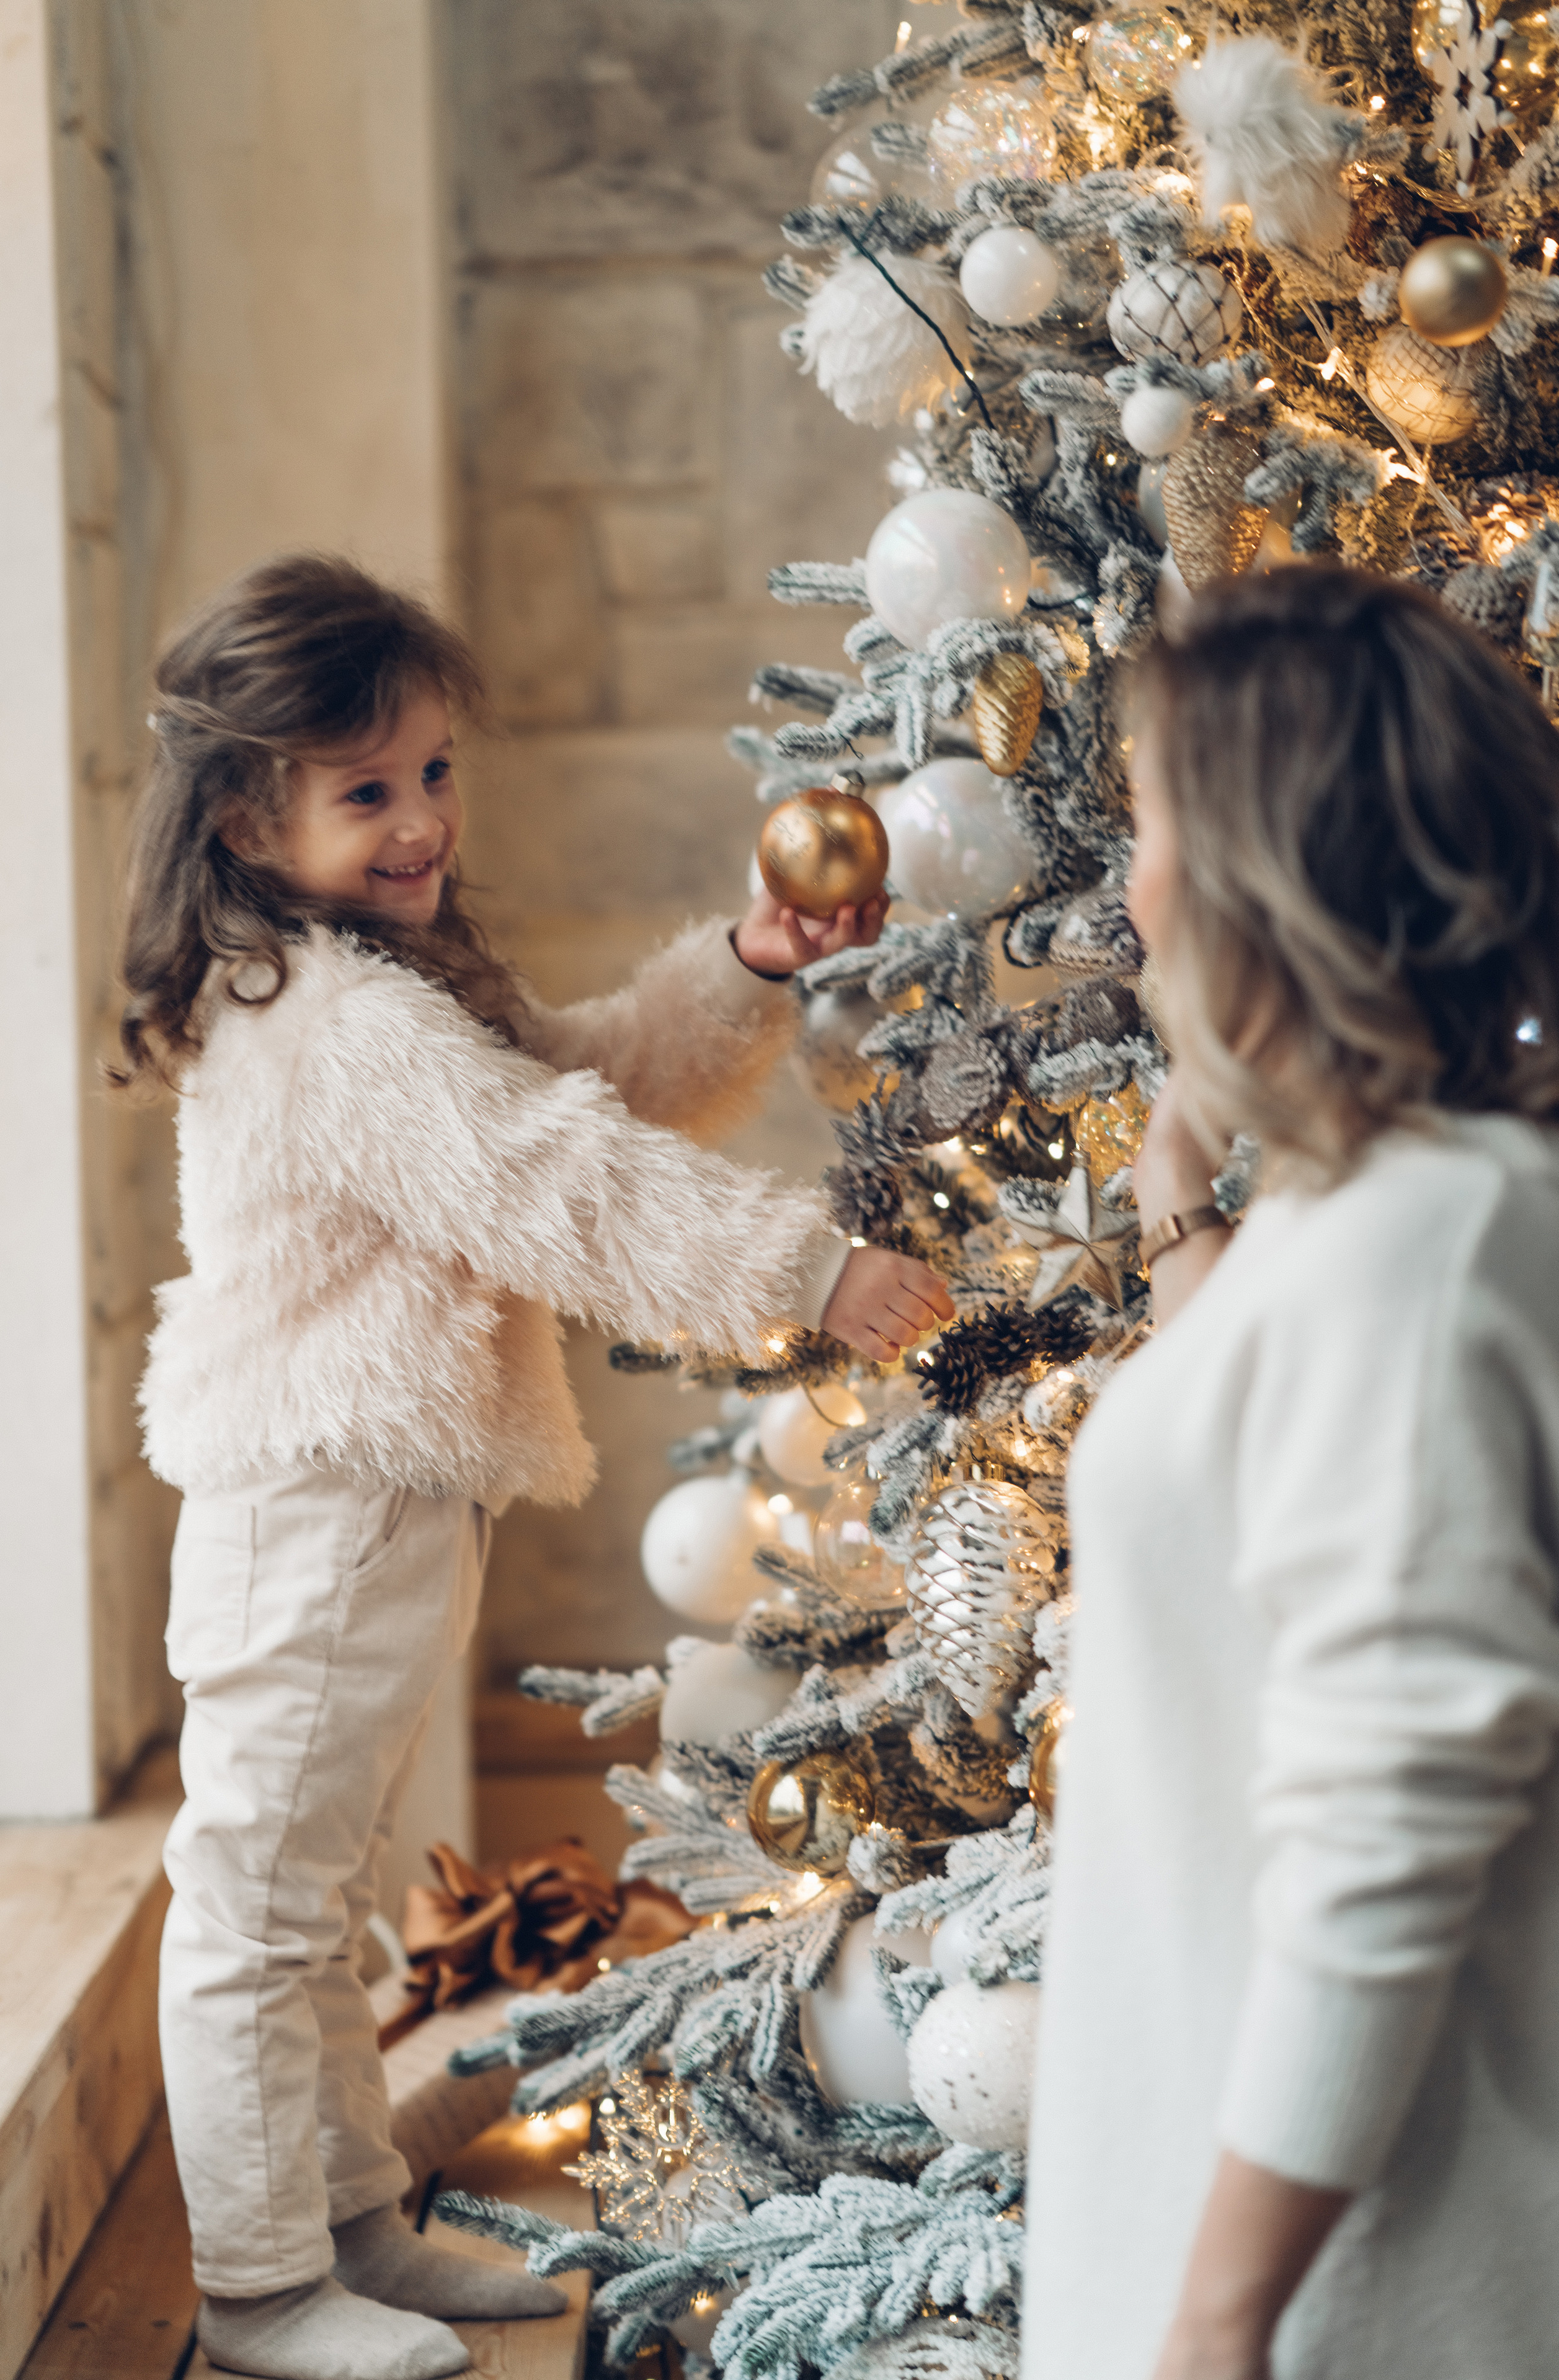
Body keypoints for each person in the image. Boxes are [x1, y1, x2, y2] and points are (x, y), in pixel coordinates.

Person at [115, 553, 953, 2380]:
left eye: (432, 773)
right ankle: (262, 2294)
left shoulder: (376, 983)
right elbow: (552, 1186)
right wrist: (803, 1271)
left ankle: (349, 2231)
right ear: (250, 817)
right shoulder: (327, 1021)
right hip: (320, 1499)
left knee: (323, 1897)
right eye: (366, 790)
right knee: (260, 1902)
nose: (419, 821)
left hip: (386, 1489)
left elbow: (569, 1088)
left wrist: (737, 974)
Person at [1024, 564, 1559, 2380]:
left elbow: (1384, 1844)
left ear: (1271, 864)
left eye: (1157, 823)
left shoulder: (1423, 1252)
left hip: (1358, 2291)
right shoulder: (1400, 1209)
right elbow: (1263, 1483)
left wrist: (1217, 2323)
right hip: (1281, 2222)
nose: (1136, 883)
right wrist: (1184, 1192)